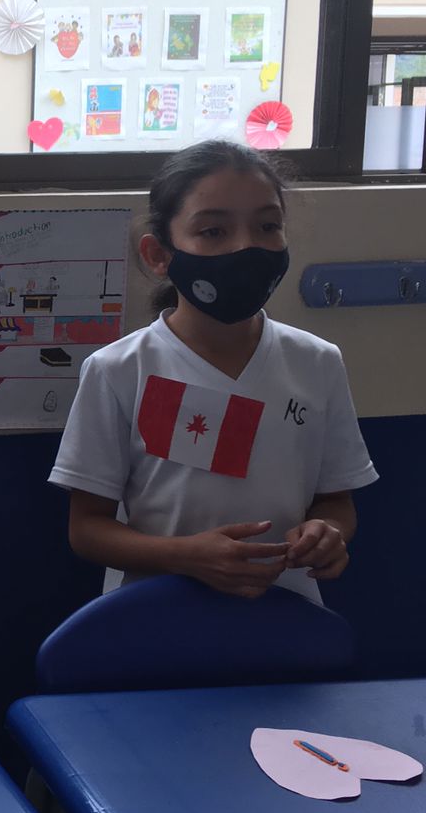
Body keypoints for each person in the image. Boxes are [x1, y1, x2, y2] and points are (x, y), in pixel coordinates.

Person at [50, 140, 378, 602]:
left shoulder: (317, 361)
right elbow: (87, 529)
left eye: (267, 226)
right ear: (159, 255)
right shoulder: (118, 371)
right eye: (213, 231)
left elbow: (336, 501)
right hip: (158, 616)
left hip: (285, 616)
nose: (246, 247)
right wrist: (185, 556)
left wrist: (329, 532)